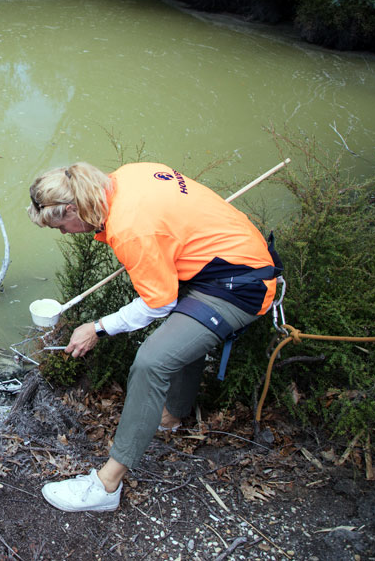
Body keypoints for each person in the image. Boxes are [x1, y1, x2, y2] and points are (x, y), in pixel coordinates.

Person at [27, 161, 280, 512]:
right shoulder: (128, 175)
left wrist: (98, 327)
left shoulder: (131, 228)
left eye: (61, 225)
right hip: (224, 262)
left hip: (238, 285)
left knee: (151, 362)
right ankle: (173, 415)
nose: (65, 233)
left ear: (73, 208)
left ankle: (107, 485)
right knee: (176, 340)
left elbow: (158, 304)